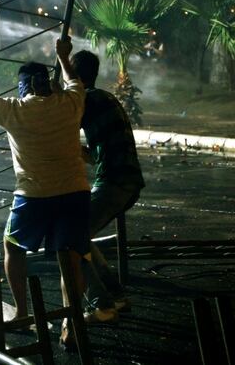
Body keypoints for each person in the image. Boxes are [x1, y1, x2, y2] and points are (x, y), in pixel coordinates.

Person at [0, 35, 89, 348]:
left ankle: (20, 311)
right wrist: (63, 55)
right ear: (48, 84)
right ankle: (71, 322)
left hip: (33, 196)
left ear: (23, 87)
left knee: (13, 248)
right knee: (70, 257)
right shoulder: (71, 103)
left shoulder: (14, 111)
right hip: (76, 193)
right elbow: (73, 80)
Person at [73, 50, 144, 323]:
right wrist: (82, 152)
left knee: (71, 238)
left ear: (75, 75)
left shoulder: (86, 99)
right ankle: (116, 296)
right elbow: (101, 153)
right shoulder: (104, 98)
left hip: (116, 182)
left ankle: (102, 305)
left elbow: (59, 120)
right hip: (125, 180)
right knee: (81, 235)